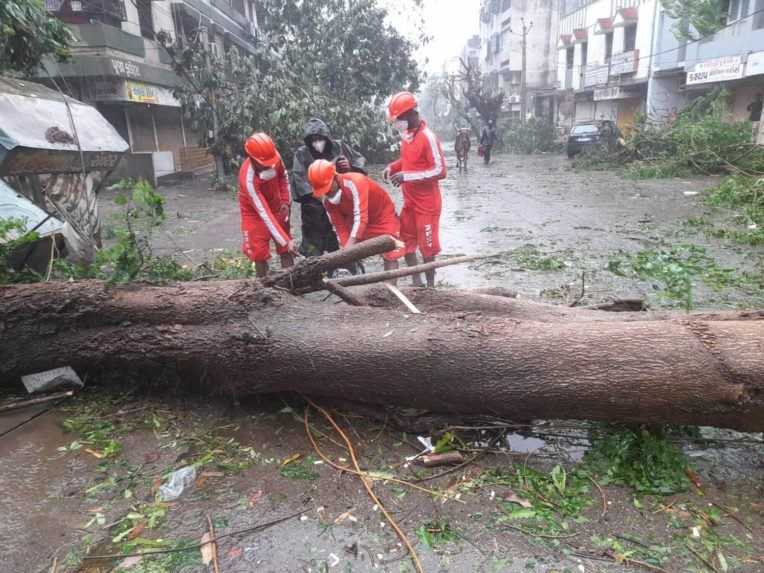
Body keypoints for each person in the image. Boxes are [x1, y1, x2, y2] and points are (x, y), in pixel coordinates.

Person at [383, 91, 446, 288]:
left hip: (427, 205)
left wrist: (407, 176)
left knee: (428, 249)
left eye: (399, 119)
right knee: (406, 242)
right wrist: (393, 167)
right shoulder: (407, 136)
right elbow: (410, 161)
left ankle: (431, 287)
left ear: (410, 114)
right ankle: (416, 282)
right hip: (410, 202)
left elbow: (440, 170)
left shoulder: (428, 137)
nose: (397, 124)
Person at [307, 159, 403, 272]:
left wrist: (348, 248)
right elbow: (340, 227)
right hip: (355, 219)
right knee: (349, 248)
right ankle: (358, 272)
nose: (326, 193)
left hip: (381, 216)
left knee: (390, 251)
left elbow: (361, 217)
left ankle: (391, 287)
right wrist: (346, 252)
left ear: (334, 177)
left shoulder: (355, 181)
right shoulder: (328, 201)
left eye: (327, 188)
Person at [291, 118, 367, 258]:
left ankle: (349, 268)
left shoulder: (339, 147)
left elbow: (360, 165)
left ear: (327, 137)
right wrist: (322, 196)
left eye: (320, 138)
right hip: (314, 207)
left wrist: (350, 166)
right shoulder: (302, 154)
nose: (317, 143)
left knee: (343, 239)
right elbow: (299, 181)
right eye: (313, 139)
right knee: (313, 247)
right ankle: (315, 271)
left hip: (341, 201)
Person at [238, 132, 297, 278]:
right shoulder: (248, 179)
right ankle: (263, 287)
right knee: (259, 252)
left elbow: (284, 177)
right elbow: (264, 213)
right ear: (252, 158)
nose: (270, 166)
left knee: (285, 249)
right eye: (264, 165)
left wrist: (285, 201)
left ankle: (290, 282)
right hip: (254, 213)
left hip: (277, 204)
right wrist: (286, 241)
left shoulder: (275, 157)